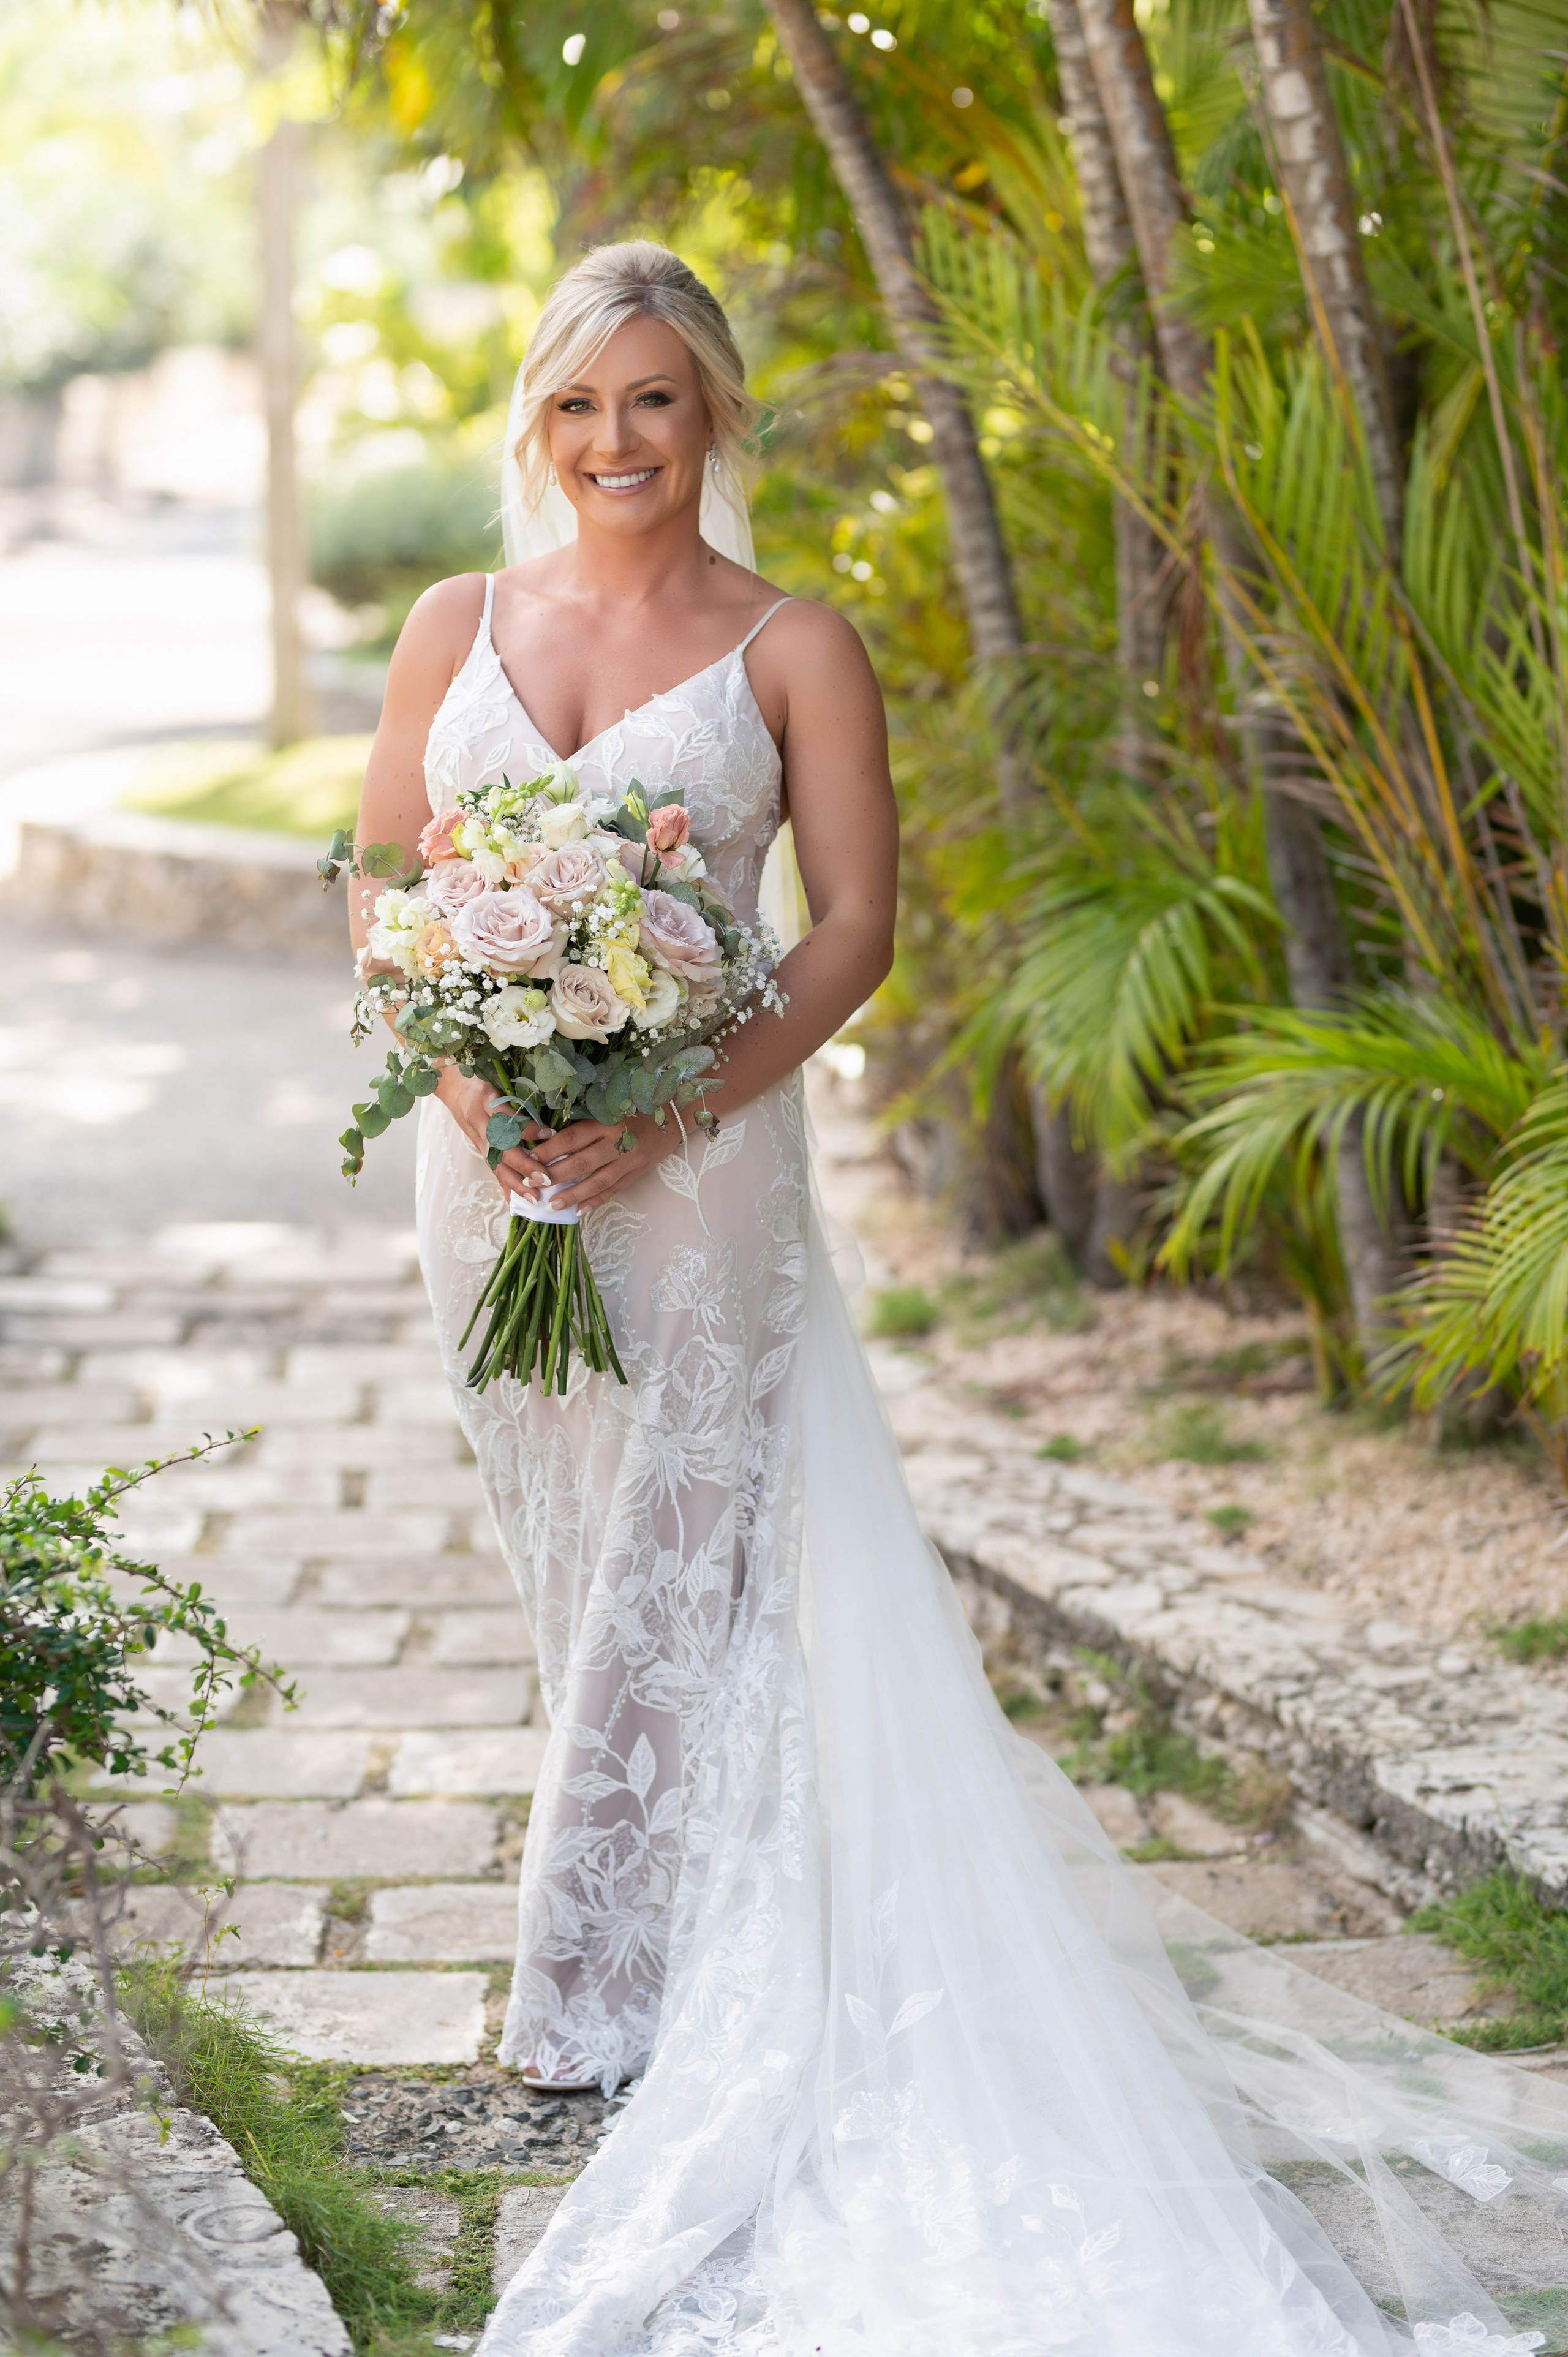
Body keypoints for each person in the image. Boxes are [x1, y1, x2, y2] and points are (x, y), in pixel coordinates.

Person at [351, 240, 1567, 2357]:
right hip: (493, 1187)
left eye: (657, 400)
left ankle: (598, 1997)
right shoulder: (453, 625)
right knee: (571, 1554)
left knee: (689, 1563)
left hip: (702, 1175)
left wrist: (661, 1106)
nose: (618, 441)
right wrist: (485, 1078)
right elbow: (382, 880)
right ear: (533, 426)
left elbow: (850, 936)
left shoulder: (792, 645)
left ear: (719, 413)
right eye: (579, 405)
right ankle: (672, 1935)